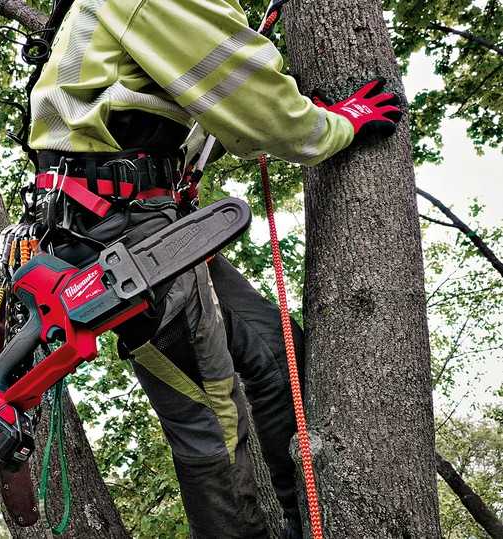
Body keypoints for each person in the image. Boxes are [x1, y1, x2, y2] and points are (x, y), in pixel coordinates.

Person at [25, 0, 401, 536]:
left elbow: (198, 112)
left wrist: (280, 106)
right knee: (212, 418)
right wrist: (333, 124)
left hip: (144, 224)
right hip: (121, 233)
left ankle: (302, 519)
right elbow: (257, 108)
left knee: (275, 350)